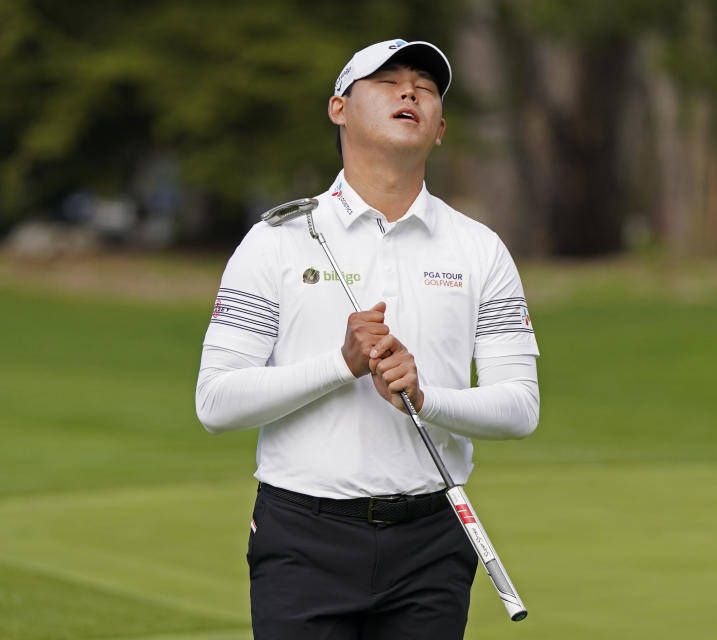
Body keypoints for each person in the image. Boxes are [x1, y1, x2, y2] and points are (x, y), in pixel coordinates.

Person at [195, 38, 540, 639]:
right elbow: (216, 404)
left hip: (433, 538)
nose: (410, 92)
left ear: (439, 130)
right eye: (387, 82)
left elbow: (520, 408)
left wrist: (428, 399)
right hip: (303, 536)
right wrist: (341, 363)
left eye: (426, 88)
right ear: (338, 109)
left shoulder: (479, 249)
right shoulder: (276, 240)